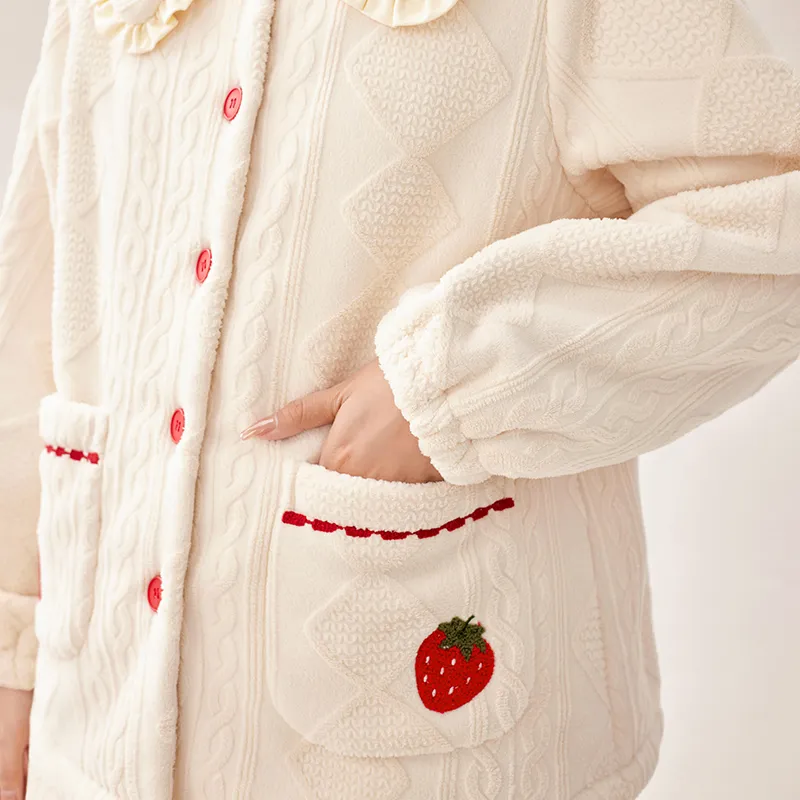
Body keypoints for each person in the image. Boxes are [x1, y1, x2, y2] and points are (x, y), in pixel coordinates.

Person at [1, 0, 798, 797]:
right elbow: (38, 304)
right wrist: (11, 653)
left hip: (429, 750)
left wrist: (451, 385)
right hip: (90, 727)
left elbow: (777, 226)